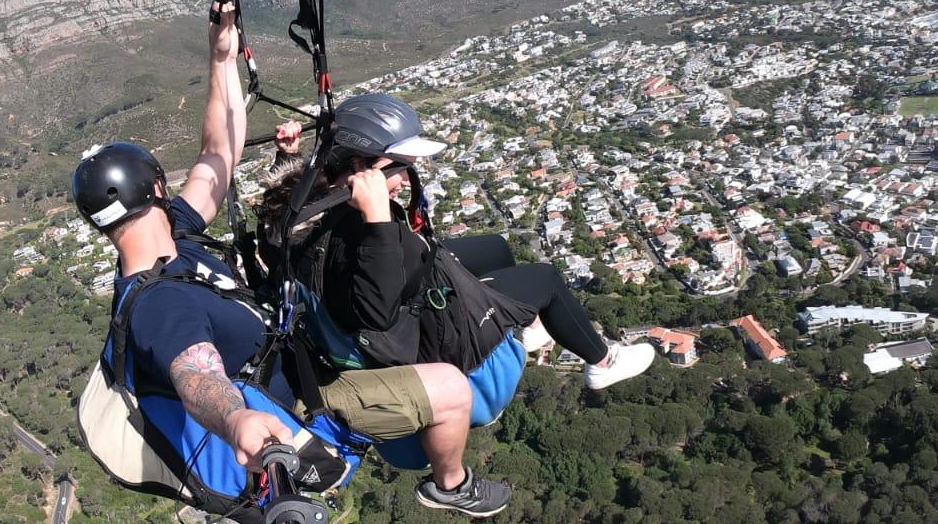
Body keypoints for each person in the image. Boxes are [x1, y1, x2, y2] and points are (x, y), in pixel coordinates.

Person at [72, 9, 513, 517]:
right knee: (452, 389)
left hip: (302, 355)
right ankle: (453, 486)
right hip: (308, 407)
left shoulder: (179, 238)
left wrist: (221, 59)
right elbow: (196, 377)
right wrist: (236, 421)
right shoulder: (160, 302)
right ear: (156, 188)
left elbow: (219, 152)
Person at [259, 95, 653, 413]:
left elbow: (276, 228)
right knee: (546, 280)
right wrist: (379, 219)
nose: (406, 179)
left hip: (413, 277)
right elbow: (376, 314)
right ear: (362, 166)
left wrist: (287, 160)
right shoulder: (360, 228)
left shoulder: (314, 203)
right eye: (401, 167)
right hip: (424, 333)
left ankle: (530, 327)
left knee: (497, 248)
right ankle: (602, 363)